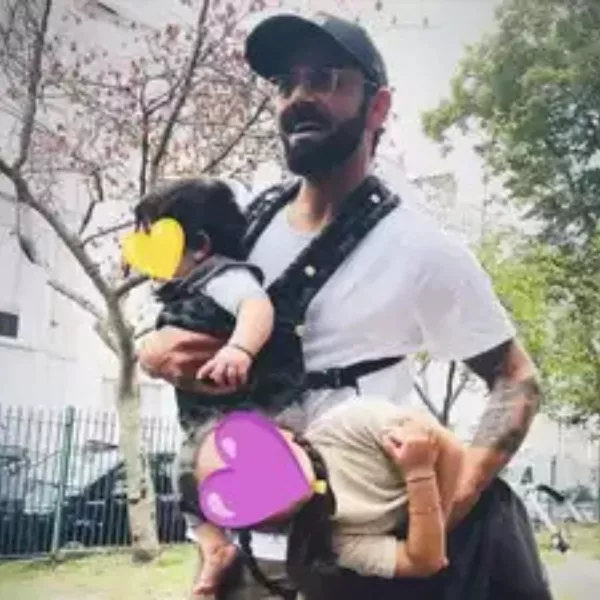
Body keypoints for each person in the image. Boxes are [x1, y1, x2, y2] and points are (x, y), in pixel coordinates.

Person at [142, 12, 551, 600]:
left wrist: (450, 501)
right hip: (241, 560)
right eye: (286, 83)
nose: (298, 98)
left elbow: (517, 380)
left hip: (354, 565)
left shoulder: (423, 250)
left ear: (378, 107)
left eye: (325, 79)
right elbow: (184, 307)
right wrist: (156, 347)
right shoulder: (240, 222)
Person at [133, 178, 307, 595]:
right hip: (214, 419)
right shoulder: (185, 289)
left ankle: (233, 548)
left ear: (199, 245)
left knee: (193, 473)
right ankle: (216, 548)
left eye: (156, 243)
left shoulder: (223, 277)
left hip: (258, 408)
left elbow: (256, 307)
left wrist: (240, 349)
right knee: (186, 478)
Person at [194, 399, 465, 597]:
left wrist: (434, 526)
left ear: (283, 433)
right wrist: (419, 475)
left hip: (471, 516)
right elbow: (424, 561)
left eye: (252, 452)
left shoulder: (348, 425)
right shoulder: (328, 540)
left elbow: (451, 449)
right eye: (245, 492)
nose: (260, 476)